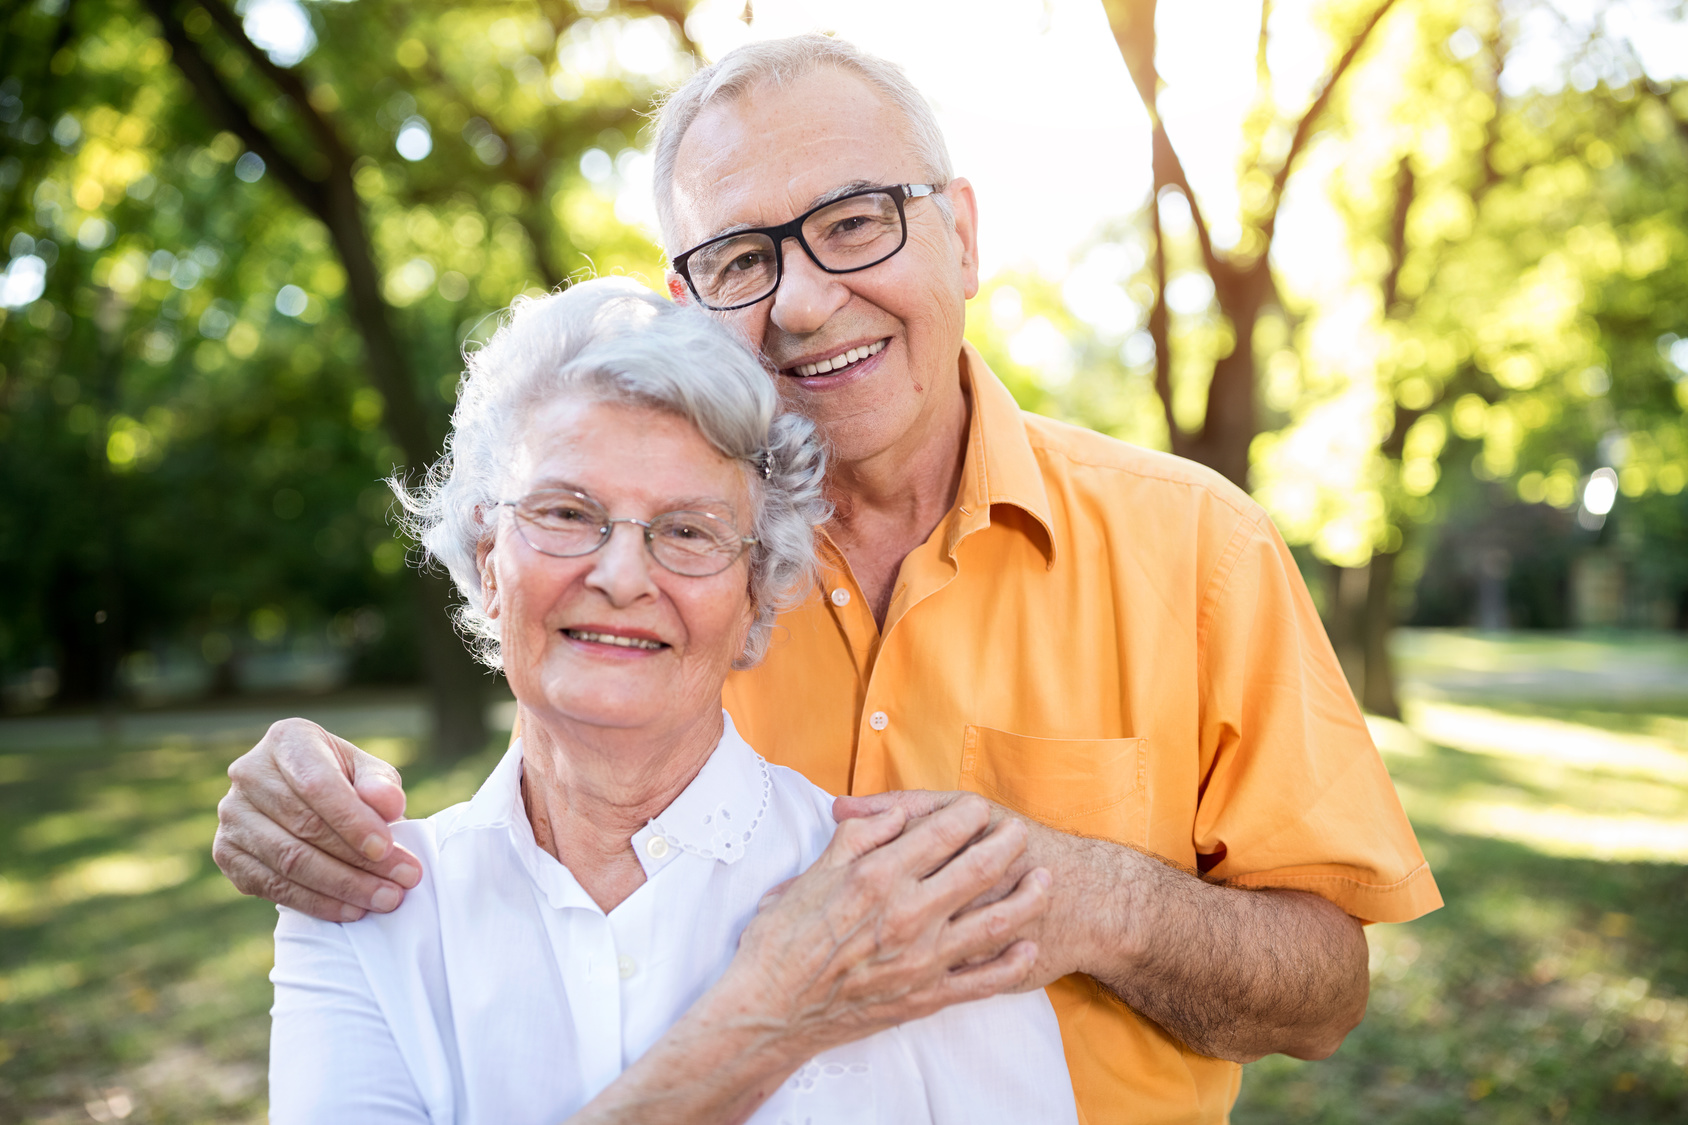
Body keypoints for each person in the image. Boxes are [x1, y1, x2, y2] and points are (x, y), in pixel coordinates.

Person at [221, 35, 1443, 1124]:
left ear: (960, 234)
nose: (804, 301)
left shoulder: (1195, 548)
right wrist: (298, 795)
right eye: (742, 257)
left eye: (855, 222)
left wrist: (1089, 901)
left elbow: (1324, 996)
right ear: (687, 302)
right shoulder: (674, 576)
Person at [269, 277, 1081, 1123]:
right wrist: (762, 1026)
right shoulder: (364, 910)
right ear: (487, 561)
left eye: (688, 531)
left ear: (756, 600)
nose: (621, 576)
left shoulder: (909, 906)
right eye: (565, 511)